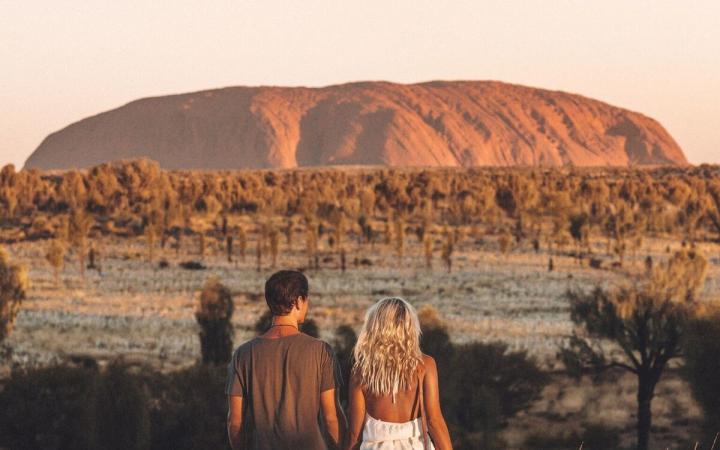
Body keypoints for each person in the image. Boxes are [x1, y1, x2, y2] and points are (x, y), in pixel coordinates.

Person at [226, 270, 347, 450]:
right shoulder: (321, 351)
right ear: (298, 301)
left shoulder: (243, 354)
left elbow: (235, 422)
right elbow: (331, 417)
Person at [344, 297, 452, 450]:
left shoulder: (361, 371)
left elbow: (354, 434)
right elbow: (434, 421)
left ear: (374, 327)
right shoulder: (425, 365)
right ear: (409, 327)